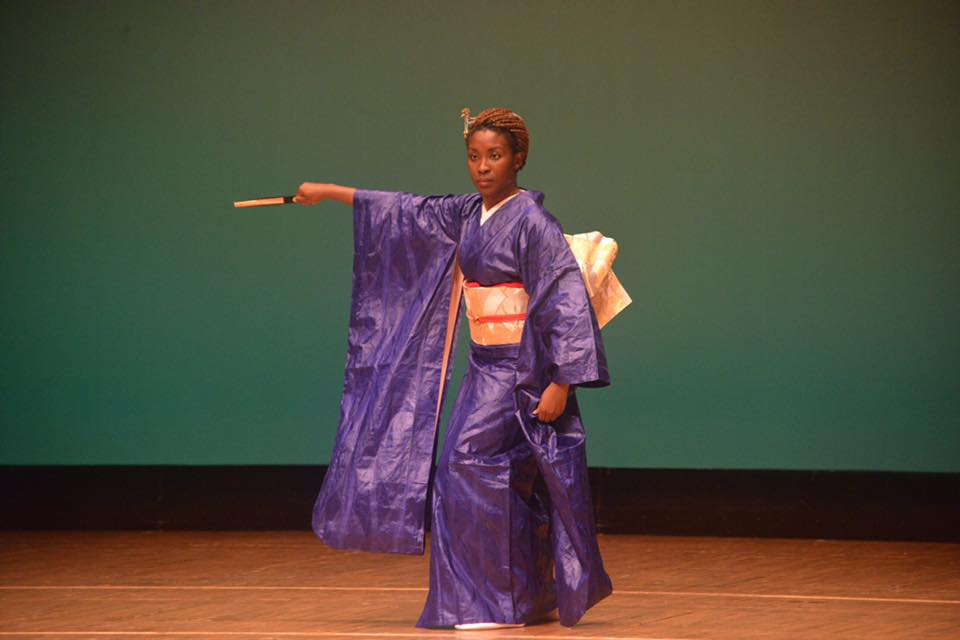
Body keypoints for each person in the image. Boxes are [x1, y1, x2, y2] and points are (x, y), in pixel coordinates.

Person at [294, 108, 627, 630]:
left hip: (523, 370)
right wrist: (331, 191)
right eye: (474, 156)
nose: (482, 167)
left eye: (494, 155)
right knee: (486, 477)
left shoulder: (534, 224)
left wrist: (562, 381)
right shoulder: (469, 213)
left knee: (464, 466)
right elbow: (405, 211)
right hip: (485, 367)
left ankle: (497, 602)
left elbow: (564, 300)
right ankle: (522, 597)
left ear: (518, 158)